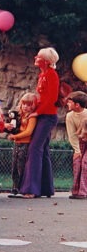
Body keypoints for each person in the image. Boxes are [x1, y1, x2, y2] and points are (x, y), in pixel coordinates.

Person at [18, 47, 60, 199]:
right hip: (44, 115)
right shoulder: (43, 74)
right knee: (43, 151)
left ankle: (31, 189)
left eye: (39, 56)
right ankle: (45, 188)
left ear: (46, 61)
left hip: (47, 116)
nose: (35, 57)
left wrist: (37, 112)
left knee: (35, 149)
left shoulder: (51, 75)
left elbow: (51, 99)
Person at [7, 92, 39, 195]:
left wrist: (14, 136)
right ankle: (15, 187)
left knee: (22, 166)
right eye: (24, 104)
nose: (26, 107)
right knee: (14, 166)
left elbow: (28, 132)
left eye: (29, 105)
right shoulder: (19, 115)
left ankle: (22, 187)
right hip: (17, 144)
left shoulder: (32, 117)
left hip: (25, 143)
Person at [65, 91, 87, 199]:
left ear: (77, 105)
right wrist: (77, 151)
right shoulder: (70, 116)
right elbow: (72, 135)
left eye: (69, 102)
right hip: (80, 142)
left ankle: (84, 191)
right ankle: (76, 190)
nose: (67, 104)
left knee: (85, 163)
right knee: (77, 162)